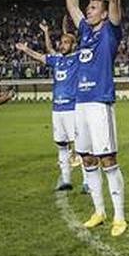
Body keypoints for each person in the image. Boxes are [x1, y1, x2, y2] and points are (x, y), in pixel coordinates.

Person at [65, 0, 128, 236]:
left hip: (101, 103)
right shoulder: (85, 32)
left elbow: (115, 0)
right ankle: (99, 211)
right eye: (89, 8)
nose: (88, 11)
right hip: (81, 104)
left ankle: (119, 216)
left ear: (103, 14)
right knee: (88, 159)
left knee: (108, 160)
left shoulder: (110, 33)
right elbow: (71, 5)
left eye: (94, 8)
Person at [14, 21, 79, 190]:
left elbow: (52, 49)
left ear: (73, 45)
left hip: (72, 108)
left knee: (80, 146)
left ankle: (87, 181)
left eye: (66, 42)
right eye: (61, 42)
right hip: (57, 110)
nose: (62, 45)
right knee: (61, 144)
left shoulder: (78, 59)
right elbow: (41, 56)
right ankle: (66, 180)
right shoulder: (57, 60)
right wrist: (26, 49)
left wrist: (56, 31)